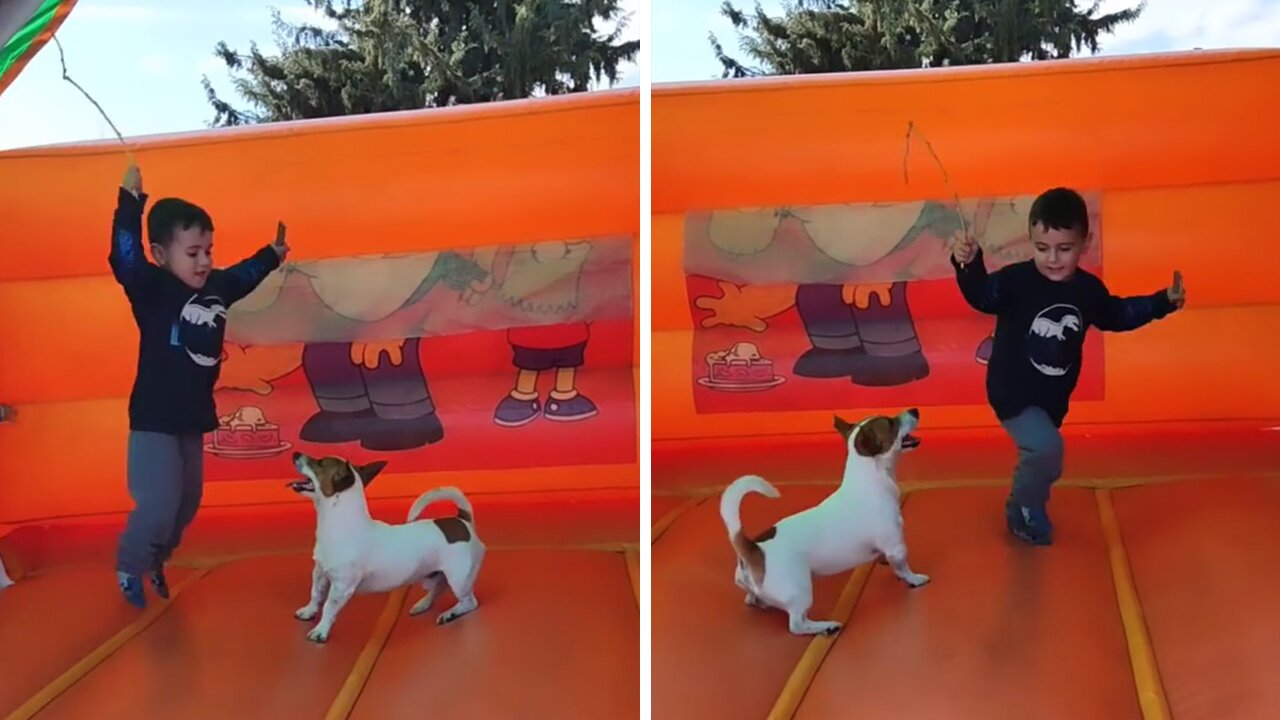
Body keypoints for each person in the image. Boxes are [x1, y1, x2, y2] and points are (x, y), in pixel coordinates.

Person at [951, 187, 1185, 546]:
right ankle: (1023, 510)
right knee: (1046, 450)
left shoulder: (1088, 291)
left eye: (1065, 248)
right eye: (1042, 248)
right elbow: (981, 294)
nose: (1053, 259)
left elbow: (1117, 314)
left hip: (1051, 397)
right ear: (1031, 241)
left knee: (1046, 454)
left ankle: (1025, 492)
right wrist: (969, 263)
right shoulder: (1016, 281)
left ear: (1084, 244)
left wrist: (1161, 302)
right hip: (1011, 390)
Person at [109, 164, 289, 607]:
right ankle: (130, 564)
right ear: (161, 254)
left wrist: (272, 254)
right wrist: (130, 203)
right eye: (193, 253)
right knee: (158, 504)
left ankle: (156, 558)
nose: (206, 261)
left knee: (187, 504)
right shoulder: (150, 288)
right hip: (153, 418)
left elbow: (244, 275)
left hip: (191, 417)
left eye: (209, 250)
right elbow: (124, 257)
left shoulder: (218, 286)